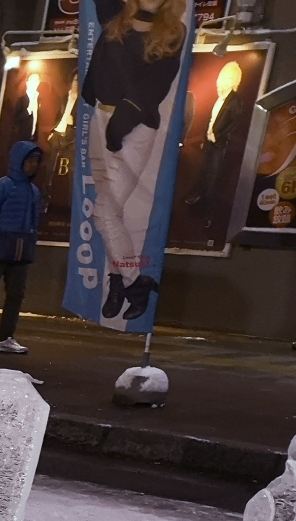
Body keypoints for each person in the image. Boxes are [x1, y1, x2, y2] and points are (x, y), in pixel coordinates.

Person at [82, 0, 190, 321]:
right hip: (100, 121)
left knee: (104, 212)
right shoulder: (117, 18)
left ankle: (133, 280)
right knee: (113, 213)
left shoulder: (173, 32)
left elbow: (154, 86)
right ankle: (118, 281)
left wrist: (121, 122)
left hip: (135, 126)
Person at [0, 140, 44, 354]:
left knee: (16, 295)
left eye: (36, 161)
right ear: (19, 161)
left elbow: (34, 219)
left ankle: (6, 338)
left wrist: (31, 237)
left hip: (20, 251)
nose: (33, 165)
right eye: (29, 160)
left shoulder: (33, 191)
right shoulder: (1, 186)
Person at [184, 59, 245, 228]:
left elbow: (233, 124)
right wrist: (207, 136)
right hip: (211, 142)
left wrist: (218, 136)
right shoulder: (220, 98)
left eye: (223, 78)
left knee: (214, 178)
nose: (219, 82)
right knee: (204, 173)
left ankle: (207, 213)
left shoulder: (234, 101)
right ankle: (198, 203)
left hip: (220, 144)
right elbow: (212, 120)